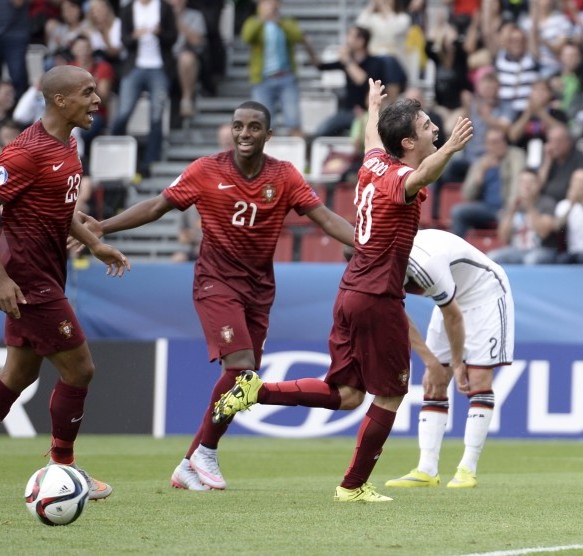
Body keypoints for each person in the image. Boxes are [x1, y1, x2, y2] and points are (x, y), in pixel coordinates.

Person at [210, 79, 474, 502]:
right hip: (376, 297)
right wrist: (452, 149)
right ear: (407, 141)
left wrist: (373, 106)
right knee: (390, 393)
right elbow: (423, 173)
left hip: (350, 291)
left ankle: (256, 390)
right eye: (427, 127)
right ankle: (352, 486)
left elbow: (373, 137)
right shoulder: (402, 177)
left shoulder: (374, 163)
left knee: (348, 395)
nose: (435, 130)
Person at [77, 100, 355, 491]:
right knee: (241, 367)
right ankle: (205, 453)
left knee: (243, 380)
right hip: (216, 283)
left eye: (254, 127)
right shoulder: (207, 170)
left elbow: (324, 217)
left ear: (268, 135)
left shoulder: (285, 175)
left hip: (259, 288)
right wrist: (102, 228)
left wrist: (366, 242)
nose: (244, 134)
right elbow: (159, 205)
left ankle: (190, 463)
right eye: (238, 125)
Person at [0, 65, 130, 501]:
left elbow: (60, 206)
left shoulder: (68, 143)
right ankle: (65, 468)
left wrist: (94, 243)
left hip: (48, 273)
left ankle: (62, 465)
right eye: (87, 92)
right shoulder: (22, 153)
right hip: (29, 281)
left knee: (15, 377)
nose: (97, 99)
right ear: (60, 100)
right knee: (81, 369)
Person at [384, 228, 514, 489]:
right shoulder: (380, 265)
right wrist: (430, 361)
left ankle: (468, 468)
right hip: (451, 299)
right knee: (432, 380)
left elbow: (453, 316)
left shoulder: (424, 266)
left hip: (485, 294)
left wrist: (457, 363)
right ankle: (427, 469)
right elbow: (395, 314)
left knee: (477, 378)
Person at [109, 0, 178, 176]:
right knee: (123, 112)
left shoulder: (164, 7)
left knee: (156, 116)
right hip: (135, 67)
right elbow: (124, 39)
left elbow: (173, 37)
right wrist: (135, 36)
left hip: (159, 67)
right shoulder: (128, 8)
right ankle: (117, 154)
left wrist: (160, 33)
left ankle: (150, 161)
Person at [241, 0, 318, 138]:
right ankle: (266, 158)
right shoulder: (253, 22)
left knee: (294, 121)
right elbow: (247, 37)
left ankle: (300, 156)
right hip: (263, 79)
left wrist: (279, 22)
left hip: (286, 77)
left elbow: (297, 36)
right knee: (263, 124)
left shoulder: (287, 21)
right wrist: (261, 20)